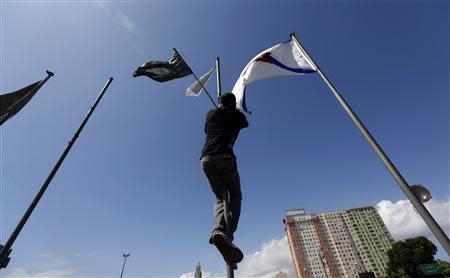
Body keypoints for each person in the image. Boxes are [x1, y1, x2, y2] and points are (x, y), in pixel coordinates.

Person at [200, 92, 249, 264]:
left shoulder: (210, 114)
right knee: (236, 195)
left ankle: (219, 230)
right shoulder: (237, 116)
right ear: (233, 104)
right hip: (225, 158)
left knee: (221, 197)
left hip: (206, 160)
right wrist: (233, 110)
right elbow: (245, 123)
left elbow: (208, 129)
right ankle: (227, 235)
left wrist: (222, 108)